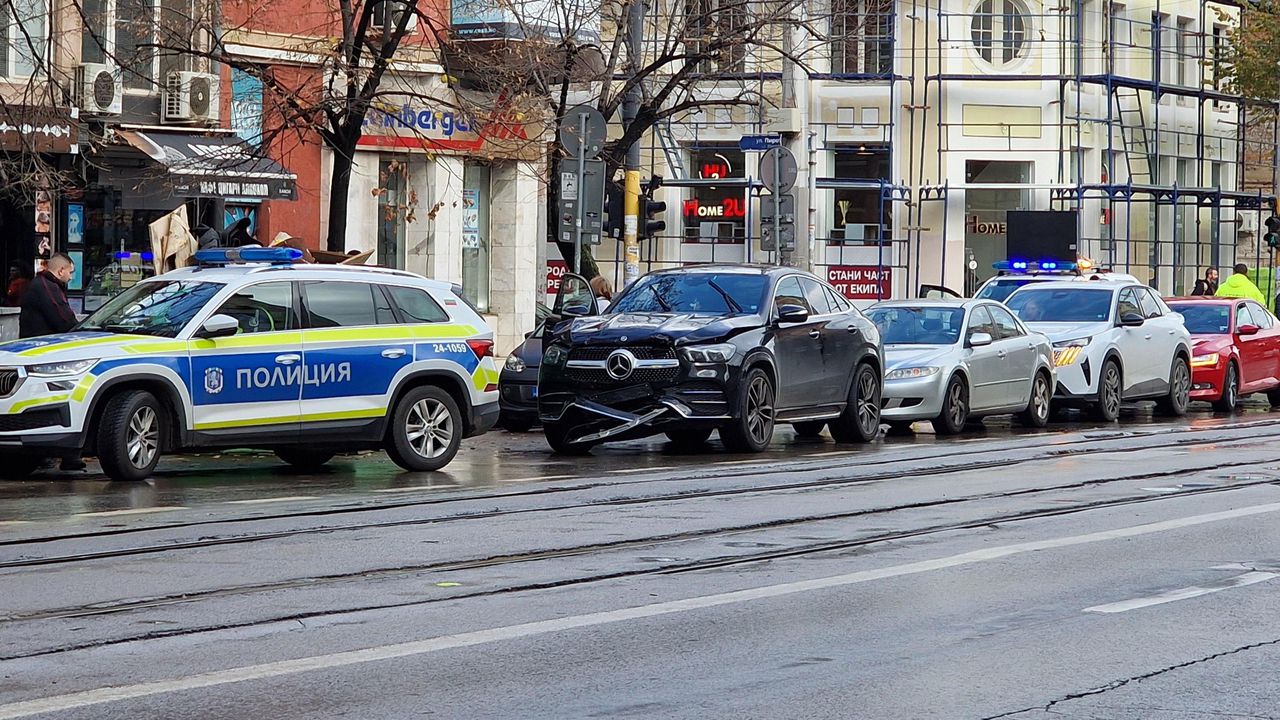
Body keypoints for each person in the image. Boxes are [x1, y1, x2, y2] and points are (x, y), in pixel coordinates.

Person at [19, 253, 84, 471]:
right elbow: (64, 320)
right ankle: (61, 455)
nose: (71, 277)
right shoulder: (46, 287)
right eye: (70, 272)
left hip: (42, 353)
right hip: (42, 355)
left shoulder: (46, 285)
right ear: (61, 270)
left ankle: (64, 456)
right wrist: (84, 334)